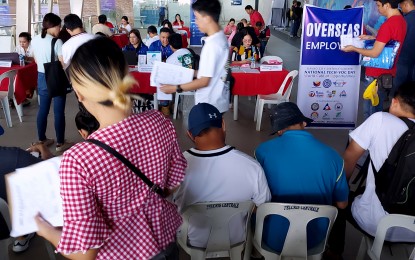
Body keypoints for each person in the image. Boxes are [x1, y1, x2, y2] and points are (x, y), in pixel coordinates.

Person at [35, 37, 187, 259]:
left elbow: (85, 253)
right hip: (166, 244)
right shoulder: (160, 121)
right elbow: (173, 184)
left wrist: (44, 230)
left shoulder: (78, 160)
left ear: (79, 93)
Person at [255, 102, 348, 254]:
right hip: (314, 239)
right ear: (303, 123)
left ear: (278, 131)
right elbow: (342, 204)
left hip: (272, 238)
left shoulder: (261, 152)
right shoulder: (333, 157)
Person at [174, 103, 271, 248]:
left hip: (193, 240)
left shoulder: (177, 166)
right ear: (224, 125)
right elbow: (263, 206)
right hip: (237, 238)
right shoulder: (252, 166)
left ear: (190, 134)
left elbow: (168, 205)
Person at [160, 0, 231, 114]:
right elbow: (210, 72)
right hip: (219, 100)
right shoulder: (221, 37)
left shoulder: (212, 45)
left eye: (197, 18)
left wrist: (174, 88)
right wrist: (187, 72)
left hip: (209, 103)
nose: (196, 22)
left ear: (207, 18)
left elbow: (204, 81)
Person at [342, 0, 406, 119]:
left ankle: (371, 136)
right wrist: (372, 37)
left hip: (375, 75)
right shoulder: (401, 21)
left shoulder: (388, 24)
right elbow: (391, 41)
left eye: (378, 5)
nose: (377, 8)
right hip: (387, 73)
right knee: (377, 108)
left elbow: (375, 53)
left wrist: (354, 48)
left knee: (371, 113)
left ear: (386, 5)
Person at [0, 123, 53, 253]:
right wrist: (42, 149)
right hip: (7, 227)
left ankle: (22, 239)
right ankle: (23, 233)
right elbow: (52, 170)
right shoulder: (15, 156)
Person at [31, 13, 69, 152]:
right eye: (59, 26)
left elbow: (35, 59)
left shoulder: (35, 39)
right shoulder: (57, 42)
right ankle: (60, 143)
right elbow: (63, 63)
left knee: (43, 110)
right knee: (59, 112)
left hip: (41, 77)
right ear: (53, 26)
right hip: (55, 77)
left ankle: (42, 139)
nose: (60, 29)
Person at [393, 0, 415, 93]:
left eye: (401, 6)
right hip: (412, 62)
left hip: (402, 60)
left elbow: (394, 38)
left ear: (406, 4)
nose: (400, 8)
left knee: (400, 90)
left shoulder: (404, 20)